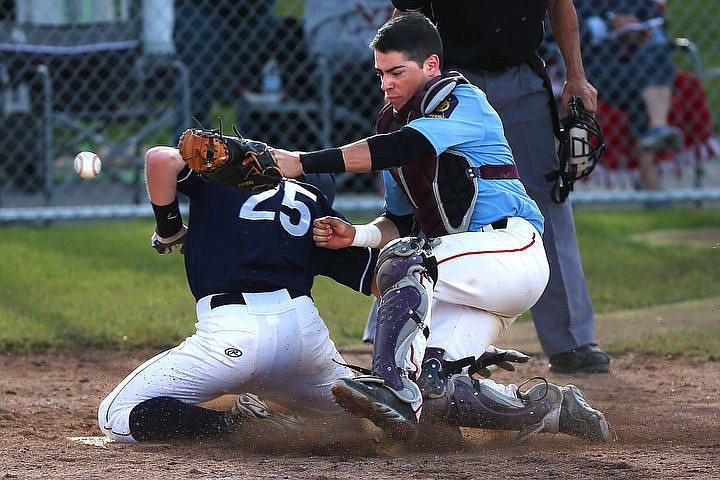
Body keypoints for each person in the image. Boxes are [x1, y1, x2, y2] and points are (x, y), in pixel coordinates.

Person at [269, 13, 609, 442]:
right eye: (380, 74)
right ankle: (551, 409)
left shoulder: (461, 97)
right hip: (465, 276)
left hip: (510, 249)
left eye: (397, 72)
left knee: (406, 260)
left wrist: (303, 162)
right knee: (437, 395)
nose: (386, 84)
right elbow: (397, 221)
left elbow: (411, 146)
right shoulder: (393, 125)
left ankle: (393, 389)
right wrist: (357, 235)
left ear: (431, 65)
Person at [97, 142, 377, 442]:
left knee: (116, 414)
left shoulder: (225, 176)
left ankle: (235, 426)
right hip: (305, 343)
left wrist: (170, 230)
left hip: (229, 339)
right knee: (355, 424)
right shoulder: (318, 210)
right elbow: (383, 282)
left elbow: (160, 158)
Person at [387, 0, 610, 374]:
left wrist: (576, 74)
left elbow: (560, 4)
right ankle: (421, 336)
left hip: (521, 78)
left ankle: (571, 340)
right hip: (449, 86)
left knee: (547, 200)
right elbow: (406, 19)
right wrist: (400, 82)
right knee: (435, 201)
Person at [575, 0, 682, 191]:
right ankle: (658, 129)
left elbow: (659, 26)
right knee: (646, 84)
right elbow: (565, 31)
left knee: (655, 52)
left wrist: (642, 33)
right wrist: (611, 27)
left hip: (642, 64)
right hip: (598, 69)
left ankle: (657, 131)